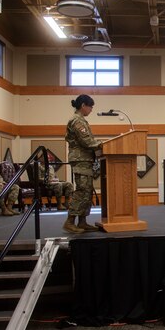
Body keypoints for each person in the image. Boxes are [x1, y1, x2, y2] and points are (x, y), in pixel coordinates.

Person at [64, 94, 102, 234]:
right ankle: (69, 222)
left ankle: (82, 222)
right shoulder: (77, 121)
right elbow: (87, 142)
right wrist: (103, 145)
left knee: (87, 191)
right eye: (90, 106)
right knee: (82, 191)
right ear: (83, 106)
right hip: (81, 160)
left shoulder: (81, 120)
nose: (91, 110)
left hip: (85, 160)